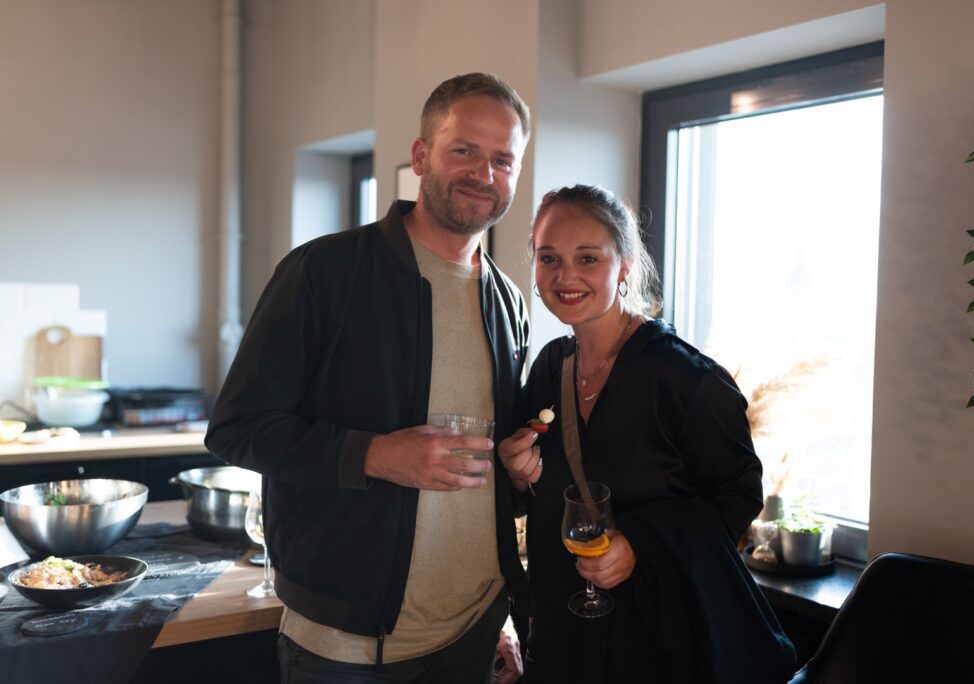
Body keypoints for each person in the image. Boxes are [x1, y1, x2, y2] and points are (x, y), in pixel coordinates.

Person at [206, 73, 533, 683]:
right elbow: (236, 429)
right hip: (344, 647)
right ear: (421, 156)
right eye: (464, 150)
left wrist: (504, 606)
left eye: (502, 160)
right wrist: (375, 454)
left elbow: (487, 480)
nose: (483, 174)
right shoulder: (323, 273)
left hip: (473, 633)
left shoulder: (508, 303)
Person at [498, 184, 797, 683]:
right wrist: (515, 473)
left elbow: (739, 495)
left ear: (625, 265)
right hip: (563, 643)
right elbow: (525, 494)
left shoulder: (685, 378)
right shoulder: (550, 368)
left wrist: (639, 543)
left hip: (661, 644)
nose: (565, 276)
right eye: (549, 258)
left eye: (587, 257)